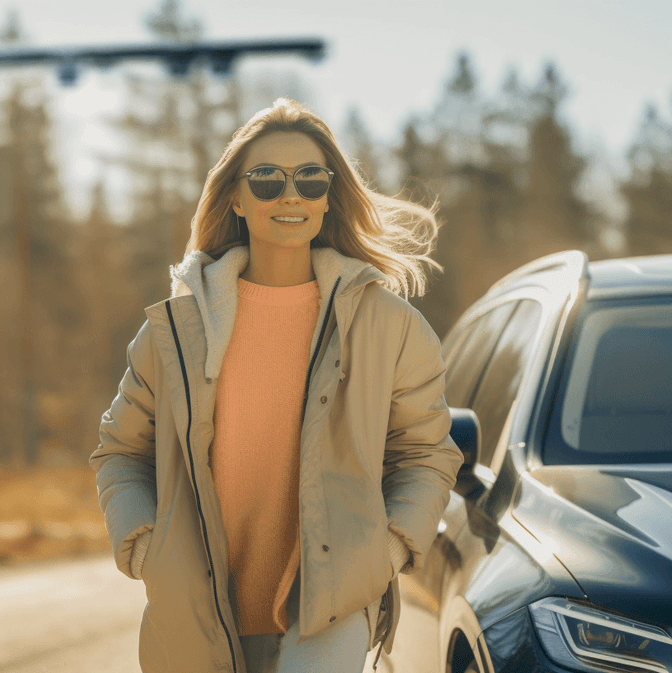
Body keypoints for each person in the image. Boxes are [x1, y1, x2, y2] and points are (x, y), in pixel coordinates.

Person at [89, 98, 463, 673]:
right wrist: (146, 549)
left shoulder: (390, 327)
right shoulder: (175, 330)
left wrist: (383, 552)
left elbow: (426, 454)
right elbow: (121, 450)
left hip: (330, 610)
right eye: (267, 180)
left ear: (328, 197)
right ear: (235, 197)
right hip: (198, 615)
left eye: (311, 180)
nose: (291, 195)